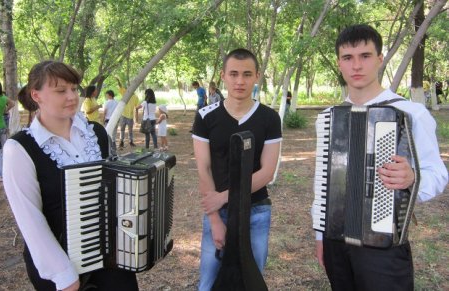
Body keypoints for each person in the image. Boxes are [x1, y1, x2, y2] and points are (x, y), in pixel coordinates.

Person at [313, 24, 448, 291]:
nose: (357, 66)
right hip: (335, 243)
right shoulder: (329, 117)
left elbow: (438, 174)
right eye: (348, 58)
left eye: (365, 56)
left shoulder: (409, 112)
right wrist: (320, 236)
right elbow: (323, 185)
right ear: (339, 63)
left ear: (379, 58)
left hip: (383, 249)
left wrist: (412, 178)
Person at [3, 60, 138, 291]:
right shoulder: (20, 148)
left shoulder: (96, 134)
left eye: (74, 89)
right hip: (61, 266)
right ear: (37, 95)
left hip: (111, 258)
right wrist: (64, 275)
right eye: (60, 90)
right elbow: (30, 219)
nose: (72, 96)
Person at [192, 48, 282, 291]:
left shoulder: (269, 118)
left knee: (250, 281)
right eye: (233, 74)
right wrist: (214, 219)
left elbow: (267, 172)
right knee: (208, 282)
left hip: (256, 212)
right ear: (223, 76)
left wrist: (223, 196)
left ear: (257, 76)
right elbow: (203, 168)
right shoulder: (205, 116)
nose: (240, 81)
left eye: (246, 74)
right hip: (217, 213)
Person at [0, 81, 16, 180]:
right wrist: (5, 110)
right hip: (2, 126)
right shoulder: (3, 98)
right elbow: (13, 103)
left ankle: (1, 174)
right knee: (4, 150)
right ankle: (6, 172)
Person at [117, 83, 140, 149]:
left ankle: (131, 141)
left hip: (130, 116)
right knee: (122, 129)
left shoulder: (135, 97)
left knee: (130, 130)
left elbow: (137, 107)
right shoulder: (125, 93)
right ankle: (121, 141)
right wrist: (118, 80)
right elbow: (120, 86)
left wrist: (137, 117)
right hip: (123, 115)